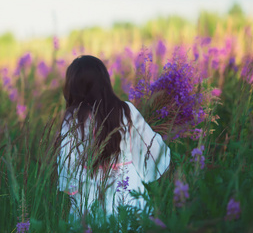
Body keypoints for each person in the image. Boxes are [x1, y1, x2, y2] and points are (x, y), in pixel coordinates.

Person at [57, 55, 170, 220]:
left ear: (73, 86)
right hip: (130, 195)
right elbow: (151, 148)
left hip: (90, 201)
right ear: (104, 81)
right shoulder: (126, 110)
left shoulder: (73, 118)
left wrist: (73, 189)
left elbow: (69, 166)